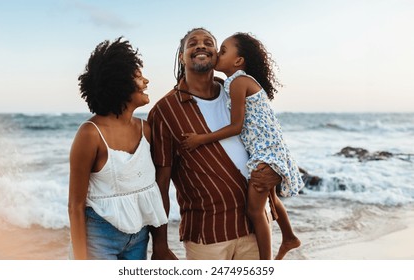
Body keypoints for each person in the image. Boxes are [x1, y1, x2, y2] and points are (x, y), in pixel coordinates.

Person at [148, 28, 279, 260]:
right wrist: (159, 244)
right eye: (192, 43)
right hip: (208, 233)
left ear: (217, 55)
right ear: (182, 56)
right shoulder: (164, 111)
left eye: (208, 42)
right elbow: (161, 182)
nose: (201, 46)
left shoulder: (237, 93)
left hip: (255, 226)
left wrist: (274, 187)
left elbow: (267, 140)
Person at [181, 32, 304, 260]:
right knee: (271, 199)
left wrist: (200, 139)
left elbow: (236, 126)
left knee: (255, 211)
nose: (218, 53)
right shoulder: (238, 82)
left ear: (238, 61)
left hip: (266, 155)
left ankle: (265, 264)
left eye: (223, 50)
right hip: (271, 152)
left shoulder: (237, 82)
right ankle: (289, 237)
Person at [68, 37, 168, 260]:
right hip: (99, 237)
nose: (146, 81)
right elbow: (75, 205)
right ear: (119, 82)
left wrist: (160, 245)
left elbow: (151, 191)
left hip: (139, 237)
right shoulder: (90, 134)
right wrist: (81, 262)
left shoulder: (146, 130)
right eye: (138, 76)